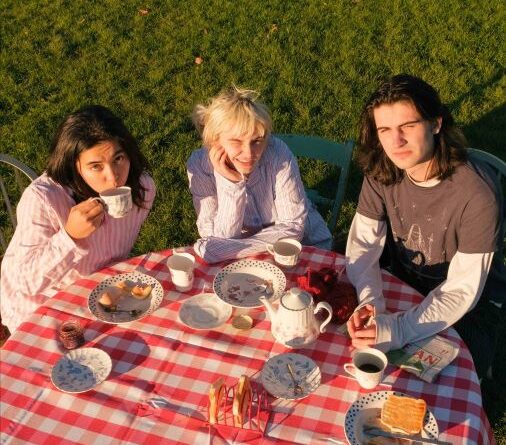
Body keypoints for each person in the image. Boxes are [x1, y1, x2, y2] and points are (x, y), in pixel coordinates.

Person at [345, 74, 505, 379]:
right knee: (350, 345)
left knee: (430, 383)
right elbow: (364, 244)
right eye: (385, 130)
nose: (396, 142)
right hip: (405, 278)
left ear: (436, 123)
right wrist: (371, 301)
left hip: (471, 304)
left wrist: (400, 327)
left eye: (408, 126)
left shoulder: (477, 193)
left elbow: (463, 289)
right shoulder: (383, 167)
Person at [0, 105, 156, 333]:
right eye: (96, 166)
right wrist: (69, 237)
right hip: (38, 309)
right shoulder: (44, 199)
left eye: (118, 158)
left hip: (98, 293)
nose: (113, 177)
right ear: (75, 167)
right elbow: (26, 283)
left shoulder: (143, 189)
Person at [187, 86, 332, 263]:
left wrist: (227, 249)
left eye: (257, 141)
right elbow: (216, 238)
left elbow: (293, 227)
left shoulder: (277, 153)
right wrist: (230, 183)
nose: (249, 153)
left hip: (304, 248)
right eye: (236, 141)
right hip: (243, 259)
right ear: (214, 140)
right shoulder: (199, 166)